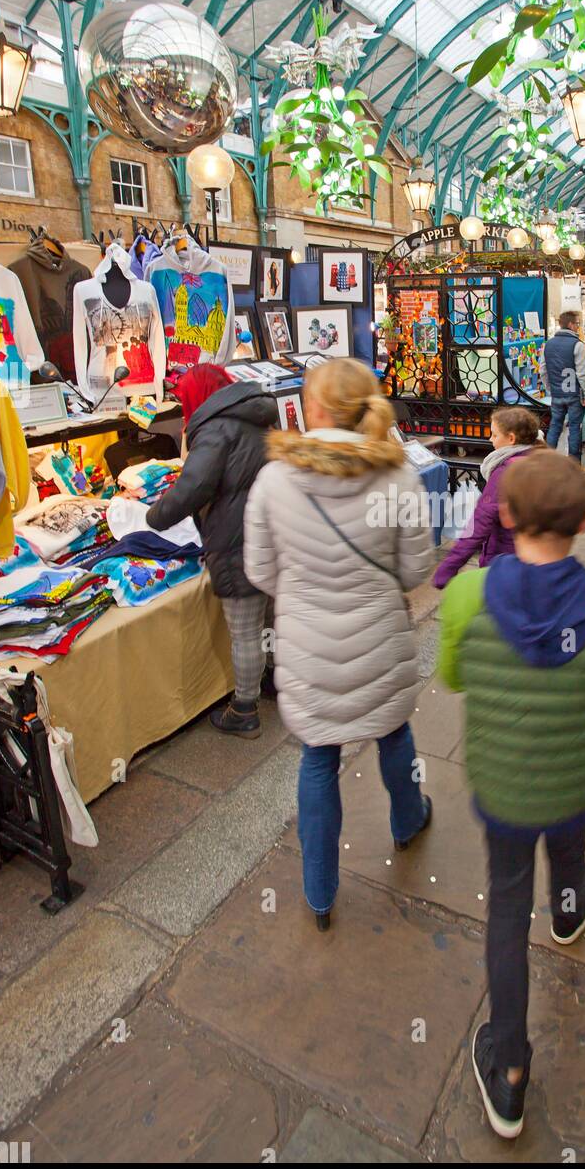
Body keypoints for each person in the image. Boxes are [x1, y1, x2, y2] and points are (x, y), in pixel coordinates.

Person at [437, 450, 585, 1138]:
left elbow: (454, 676)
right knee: (571, 849)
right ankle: (572, 906)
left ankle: (511, 1068)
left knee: (507, 903)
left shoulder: (466, 596)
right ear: (584, 521)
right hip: (578, 776)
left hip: (501, 785)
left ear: (509, 515)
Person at [243, 359, 434, 930]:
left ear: (315, 407)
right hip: (379, 636)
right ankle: (408, 821)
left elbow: (259, 569)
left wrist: (305, 595)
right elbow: (417, 566)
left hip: (306, 644)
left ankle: (320, 893)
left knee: (318, 756)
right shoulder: (398, 477)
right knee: (394, 733)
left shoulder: (274, 478)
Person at [146, 364, 279, 738]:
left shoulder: (217, 428)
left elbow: (194, 486)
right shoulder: (257, 416)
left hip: (236, 540)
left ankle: (245, 708)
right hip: (268, 533)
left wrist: (152, 516)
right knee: (266, 618)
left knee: (244, 629)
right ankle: (271, 680)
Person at [432, 406, 539, 589]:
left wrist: (448, 568)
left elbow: (480, 522)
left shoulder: (505, 472)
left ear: (511, 438)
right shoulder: (539, 461)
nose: (490, 439)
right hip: (534, 558)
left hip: (504, 559)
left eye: (495, 435)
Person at [541, 310, 585, 464]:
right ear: (570, 325)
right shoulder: (577, 345)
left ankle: (548, 461)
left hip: (557, 394)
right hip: (574, 394)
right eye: (577, 324)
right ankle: (575, 464)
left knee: (555, 426)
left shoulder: (547, 344)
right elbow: (582, 374)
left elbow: (543, 370)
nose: (578, 327)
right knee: (575, 428)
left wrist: (550, 387)